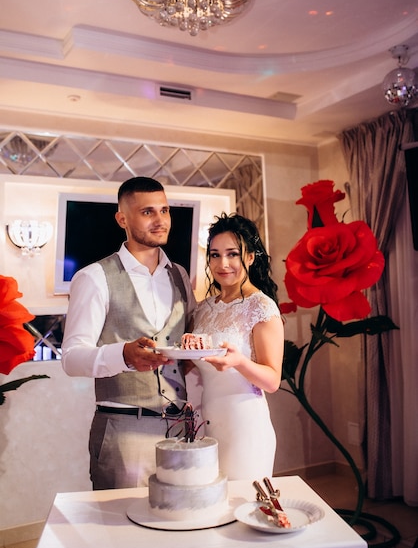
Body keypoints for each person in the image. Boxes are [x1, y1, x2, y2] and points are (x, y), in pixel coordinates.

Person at [61, 176, 196, 490]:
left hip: (180, 426)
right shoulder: (94, 277)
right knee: (122, 531)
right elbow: (71, 358)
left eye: (164, 210)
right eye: (148, 212)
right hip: (124, 428)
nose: (160, 220)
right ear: (122, 218)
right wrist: (122, 354)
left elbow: (185, 342)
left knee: (177, 521)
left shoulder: (180, 275)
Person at [191, 212, 284, 480]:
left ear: (251, 257)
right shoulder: (204, 308)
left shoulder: (261, 307)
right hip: (208, 423)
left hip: (245, 427)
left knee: (242, 508)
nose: (223, 263)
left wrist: (239, 361)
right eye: (215, 254)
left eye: (233, 254)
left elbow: (272, 380)